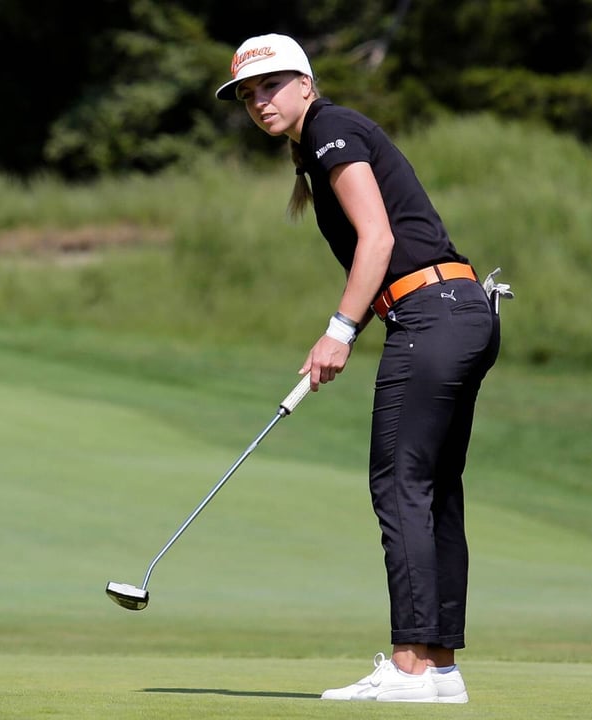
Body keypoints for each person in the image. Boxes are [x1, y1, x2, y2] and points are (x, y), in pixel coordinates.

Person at [215, 33, 505, 704]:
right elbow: (380, 258)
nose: (259, 101)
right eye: (248, 94)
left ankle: (407, 668)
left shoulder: (330, 129)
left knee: (400, 485)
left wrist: (338, 332)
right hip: (461, 311)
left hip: (433, 316)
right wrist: (349, 328)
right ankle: (438, 670)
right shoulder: (319, 143)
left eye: (271, 85)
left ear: (305, 84)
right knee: (433, 490)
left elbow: (378, 240)